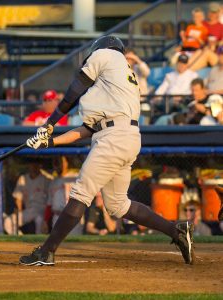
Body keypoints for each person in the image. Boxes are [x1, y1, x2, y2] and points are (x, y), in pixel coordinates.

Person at [19, 35, 195, 266]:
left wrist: (50, 122)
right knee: (118, 204)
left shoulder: (107, 54)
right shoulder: (118, 81)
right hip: (125, 136)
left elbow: (75, 89)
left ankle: (46, 251)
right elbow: (86, 130)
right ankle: (176, 230)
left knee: (81, 193)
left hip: (113, 138)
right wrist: (49, 142)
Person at [4, 161, 50, 235]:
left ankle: (39, 244)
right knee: (8, 222)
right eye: (31, 164)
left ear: (40, 166)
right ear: (28, 165)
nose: (33, 167)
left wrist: (47, 218)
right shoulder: (23, 178)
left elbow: (50, 199)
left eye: (36, 164)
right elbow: (18, 198)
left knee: (39, 221)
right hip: (28, 210)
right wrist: (19, 213)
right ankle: (21, 241)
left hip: (41, 211)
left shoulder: (46, 179)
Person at [45, 156, 83, 235]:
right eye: (56, 162)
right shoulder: (53, 182)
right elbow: (49, 204)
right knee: (56, 243)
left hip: (73, 216)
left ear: (66, 163)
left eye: (60, 162)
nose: (58, 165)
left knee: (74, 243)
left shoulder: (75, 177)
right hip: (57, 217)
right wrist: (45, 221)